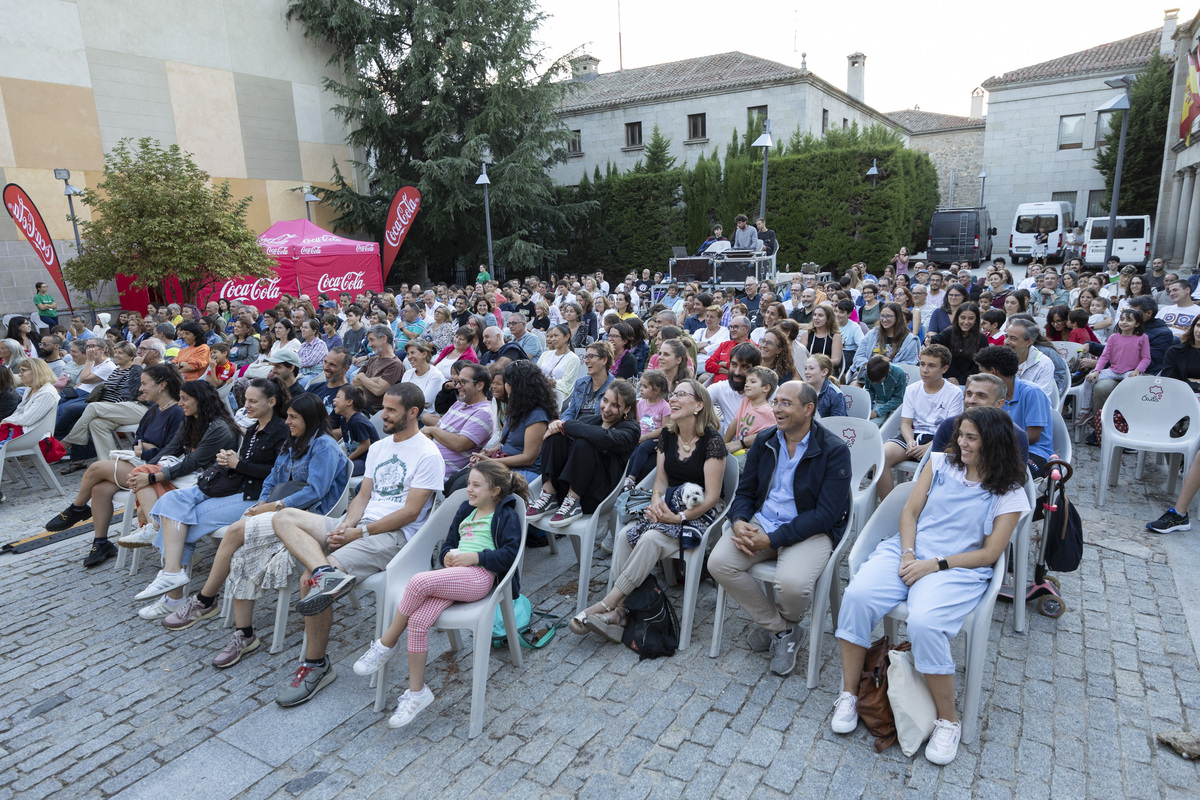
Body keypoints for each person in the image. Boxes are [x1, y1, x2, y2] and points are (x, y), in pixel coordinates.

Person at [833, 407, 1029, 765]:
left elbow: (990, 553)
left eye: (971, 438)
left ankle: (947, 721)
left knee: (925, 623)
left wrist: (933, 565)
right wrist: (908, 554)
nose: (961, 443)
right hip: (909, 549)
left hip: (957, 567)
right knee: (858, 596)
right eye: (961, 435)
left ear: (994, 443)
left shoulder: (1010, 492)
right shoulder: (939, 463)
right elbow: (909, 513)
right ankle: (849, 694)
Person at [249, 384, 443, 706]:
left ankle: (315, 665)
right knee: (283, 518)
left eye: (391, 410)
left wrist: (361, 534)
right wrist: (346, 525)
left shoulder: (427, 454)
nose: (383, 414)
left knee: (309, 583)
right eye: (384, 408)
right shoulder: (381, 448)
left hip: (395, 538)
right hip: (360, 528)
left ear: (413, 413)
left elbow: (410, 513)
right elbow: (363, 496)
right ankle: (326, 570)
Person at [353, 457, 527, 726]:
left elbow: (509, 555)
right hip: (455, 575)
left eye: (476, 485)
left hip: (480, 577)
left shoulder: (504, 515)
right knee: (420, 621)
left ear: (495, 491)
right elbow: (448, 543)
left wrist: (476, 558)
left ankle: (386, 644)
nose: (469, 489)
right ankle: (416, 693)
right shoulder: (465, 510)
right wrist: (447, 556)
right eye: (469, 483)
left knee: (419, 582)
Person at [710, 380, 852, 675]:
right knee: (719, 563)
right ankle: (783, 630)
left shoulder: (834, 450)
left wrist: (772, 539)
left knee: (793, 586)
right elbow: (746, 491)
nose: (777, 409)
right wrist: (738, 521)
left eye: (786, 403)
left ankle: (778, 625)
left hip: (809, 529)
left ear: (808, 409)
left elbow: (826, 514)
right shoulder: (765, 440)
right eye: (776, 402)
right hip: (762, 520)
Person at [569, 379, 727, 642]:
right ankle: (620, 613)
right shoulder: (667, 434)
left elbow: (711, 497)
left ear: (698, 405)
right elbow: (661, 480)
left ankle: (609, 605)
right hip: (669, 501)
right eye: (673, 394)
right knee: (624, 536)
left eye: (681, 395)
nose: (673, 398)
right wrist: (656, 500)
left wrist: (679, 517)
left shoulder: (712, 441)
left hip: (699, 511)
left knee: (651, 539)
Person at [127, 378, 295, 615]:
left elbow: (280, 476)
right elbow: (243, 465)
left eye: (253, 401)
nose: (246, 405)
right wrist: (231, 462)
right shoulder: (254, 428)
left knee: (182, 521)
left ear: (272, 401)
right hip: (232, 487)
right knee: (171, 503)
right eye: (245, 399)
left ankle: (173, 596)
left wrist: (239, 464)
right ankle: (172, 574)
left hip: (253, 496)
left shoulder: (281, 431)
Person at [529, 379, 640, 525]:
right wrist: (557, 426)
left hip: (598, 496)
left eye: (615, 405)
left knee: (584, 443)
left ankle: (573, 501)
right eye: (605, 400)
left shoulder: (631, 429)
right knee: (556, 437)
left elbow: (603, 437)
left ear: (627, 409)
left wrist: (564, 424)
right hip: (566, 490)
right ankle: (549, 494)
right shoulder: (590, 420)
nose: (606, 409)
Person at [448, 360, 556, 489]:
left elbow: (528, 458)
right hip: (504, 463)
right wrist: (487, 453)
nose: (505, 386)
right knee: (453, 482)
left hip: (525, 471)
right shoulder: (515, 407)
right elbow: (503, 441)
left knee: (462, 486)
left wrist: (492, 462)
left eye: (507, 382)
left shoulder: (537, 416)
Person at [878, 345, 964, 499]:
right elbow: (905, 423)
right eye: (922, 364)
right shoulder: (912, 389)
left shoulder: (954, 393)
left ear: (944, 369)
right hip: (915, 434)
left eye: (931, 366)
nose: (925, 370)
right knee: (880, 456)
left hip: (941, 438)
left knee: (933, 466)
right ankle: (889, 506)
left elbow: (952, 430)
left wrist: (929, 447)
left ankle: (920, 508)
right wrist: (910, 441)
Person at [59, 341, 146, 464]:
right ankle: (109, 463)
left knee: (81, 408)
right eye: (115, 352)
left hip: (125, 406)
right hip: (108, 406)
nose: (116, 355)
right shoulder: (116, 370)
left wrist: (137, 367)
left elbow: (131, 393)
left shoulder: (135, 370)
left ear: (131, 356)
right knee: (96, 423)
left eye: (120, 353)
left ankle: (66, 442)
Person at [972, 346, 1053, 477]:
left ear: (992, 372)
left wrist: (991, 443)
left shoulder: (1032, 392)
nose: (979, 376)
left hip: (1034, 452)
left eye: (981, 372)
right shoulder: (991, 395)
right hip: (999, 449)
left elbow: (1033, 436)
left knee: (1002, 472)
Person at [420, 362, 494, 482]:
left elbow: (459, 444)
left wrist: (432, 429)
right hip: (425, 460)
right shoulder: (459, 403)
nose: (457, 386)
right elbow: (440, 427)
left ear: (480, 385)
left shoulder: (484, 413)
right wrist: (430, 432)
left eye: (463, 382)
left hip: (437, 473)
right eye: (457, 382)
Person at [1080, 308, 1149, 420]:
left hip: (1130, 372)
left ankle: (1125, 415)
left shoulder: (1142, 338)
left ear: (1137, 323)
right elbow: (1105, 356)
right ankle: (1085, 410)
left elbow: (1146, 358)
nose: (1124, 322)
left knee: (1131, 386)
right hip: (1113, 370)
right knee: (1089, 379)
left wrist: (1137, 371)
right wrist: (1096, 371)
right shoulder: (1114, 337)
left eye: (1129, 320)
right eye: (1122, 319)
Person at [849, 303, 918, 384]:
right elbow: (859, 356)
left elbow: (909, 364)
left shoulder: (909, 339)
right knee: (854, 386)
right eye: (882, 316)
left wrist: (883, 368)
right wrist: (869, 366)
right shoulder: (873, 333)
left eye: (888, 316)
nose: (884, 320)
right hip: (868, 373)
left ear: (898, 317)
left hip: (893, 377)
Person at [350, 325, 405, 414]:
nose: (369, 345)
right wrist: (376, 379)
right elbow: (354, 382)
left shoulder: (395, 364)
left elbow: (378, 390)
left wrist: (362, 376)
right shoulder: (372, 359)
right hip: (358, 405)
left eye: (372, 340)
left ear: (384, 338)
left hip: (373, 412)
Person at [723, 366, 777, 457]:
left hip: (750, 454)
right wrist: (723, 444)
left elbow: (773, 434)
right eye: (746, 382)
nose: (746, 385)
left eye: (752, 382)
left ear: (766, 388)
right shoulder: (746, 401)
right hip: (737, 448)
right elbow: (735, 422)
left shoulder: (769, 412)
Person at [931, 303, 987, 385]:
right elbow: (936, 341)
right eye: (963, 318)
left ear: (976, 319)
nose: (966, 322)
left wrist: (960, 380)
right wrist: (928, 340)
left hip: (969, 382)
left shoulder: (982, 338)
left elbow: (979, 366)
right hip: (945, 379)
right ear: (957, 318)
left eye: (971, 318)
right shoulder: (949, 332)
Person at [1002, 319, 1056, 403]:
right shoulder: (999, 358)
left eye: (1013, 338)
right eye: (1006, 336)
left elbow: (1041, 398)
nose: (1006, 342)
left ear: (1028, 342)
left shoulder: (1043, 363)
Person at [332, 384, 380, 476]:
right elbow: (347, 443)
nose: (334, 400)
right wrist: (345, 457)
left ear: (349, 402)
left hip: (366, 460)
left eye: (338, 397)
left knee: (341, 472)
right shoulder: (343, 419)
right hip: (355, 458)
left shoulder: (357, 421)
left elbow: (365, 444)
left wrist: (349, 459)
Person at [561, 341, 615, 421]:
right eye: (586, 357)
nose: (586, 361)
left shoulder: (615, 387)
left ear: (604, 360)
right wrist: (563, 423)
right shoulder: (580, 384)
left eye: (590, 356)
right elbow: (571, 411)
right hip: (575, 428)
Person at [537, 324, 582, 408]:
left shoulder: (573, 358)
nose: (552, 339)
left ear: (566, 337)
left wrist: (554, 383)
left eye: (556, 336)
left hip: (557, 396)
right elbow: (536, 372)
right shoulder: (545, 354)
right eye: (551, 336)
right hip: (539, 390)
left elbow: (567, 384)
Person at [704, 316, 754, 384]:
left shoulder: (753, 348)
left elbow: (745, 368)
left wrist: (722, 363)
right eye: (731, 327)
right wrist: (728, 371)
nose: (732, 330)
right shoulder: (724, 345)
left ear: (746, 329)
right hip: (717, 387)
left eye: (735, 327)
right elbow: (708, 365)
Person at [862, 355, 907, 427]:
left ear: (888, 372)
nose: (874, 383)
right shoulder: (868, 372)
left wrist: (878, 412)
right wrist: (868, 406)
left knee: (890, 426)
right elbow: (869, 389)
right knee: (872, 425)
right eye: (872, 381)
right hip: (880, 401)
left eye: (878, 381)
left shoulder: (899, 373)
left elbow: (899, 398)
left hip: (897, 404)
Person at [401, 339, 442, 412]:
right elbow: (400, 397)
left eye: (412, 353)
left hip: (424, 418)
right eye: (408, 354)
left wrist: (405, 399)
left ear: (424, 354)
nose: (409, 357)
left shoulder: (436, 375)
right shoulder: (408, 373)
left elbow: (426, 402)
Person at [800, 304, 843, 371]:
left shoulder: (836, 336)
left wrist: (818, 365)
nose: (816, 318)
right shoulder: (806, 334)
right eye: (814, 315)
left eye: (820, 315)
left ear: (828, 319)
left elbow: (836, 360)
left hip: (826, 370)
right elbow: (801, 356)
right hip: (807, 369)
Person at [804, 354, 847, 418]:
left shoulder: (835, 394)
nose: (806, 372)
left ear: (824, 372)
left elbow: (838, 422)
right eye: (805, 368)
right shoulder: (802, 390)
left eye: (811, 368)